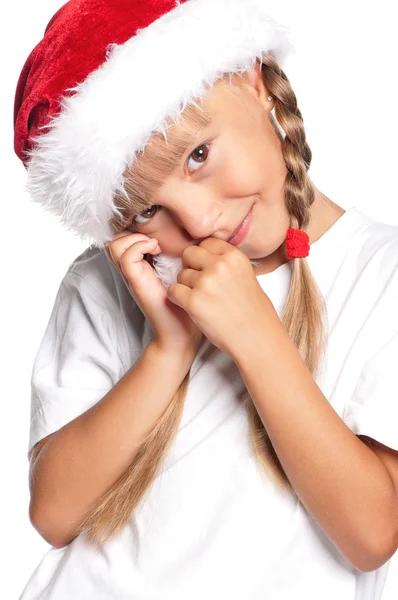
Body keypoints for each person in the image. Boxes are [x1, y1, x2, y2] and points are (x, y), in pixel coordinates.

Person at [14, 0, 398, 598]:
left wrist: (255, 336)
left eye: (198, 155)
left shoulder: (383, 272)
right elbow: (54, 514)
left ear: (254, 81)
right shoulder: (110, 281)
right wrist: (169, 348)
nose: (198, 221)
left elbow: (373, 534)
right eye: (146, 208)